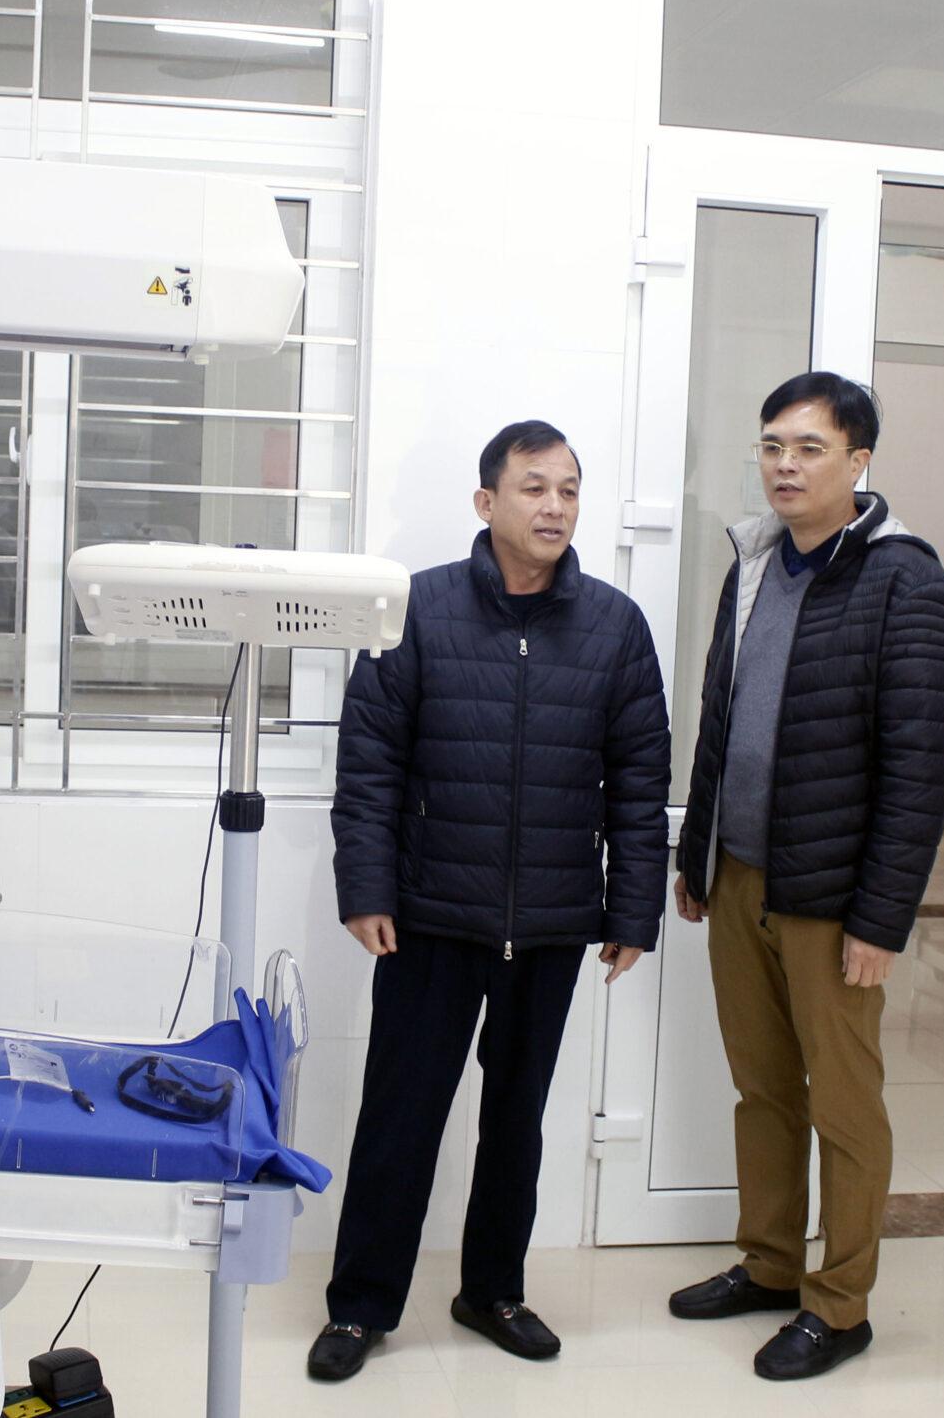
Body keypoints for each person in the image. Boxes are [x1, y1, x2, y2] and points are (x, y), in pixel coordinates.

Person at [308, 419, 673, 1382]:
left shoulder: (615, 626)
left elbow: (640, 781)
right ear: (487, 501)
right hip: (430, 915)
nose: (555, 507)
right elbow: (369, 766)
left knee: (517, 1120)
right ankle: (360, 1306)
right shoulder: (417, 609)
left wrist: (631, 910)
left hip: (551, 922)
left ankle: (492, 1290)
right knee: (401, 1116)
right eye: (534, 487)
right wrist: (366, 889)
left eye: (569, 490)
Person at [664, 372, 944, 1382]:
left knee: (842, 1102)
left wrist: (881, 919)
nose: (785, 466)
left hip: (833, 898)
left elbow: (919, 772)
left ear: (859, 460)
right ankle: (768, 1264)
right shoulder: (753, 562)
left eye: (808, 448)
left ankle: (839, 1304)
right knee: (762, 1088)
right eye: (772, 446)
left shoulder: (907, 584)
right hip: (740, 873)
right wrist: (698, 853)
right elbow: (721, 720)